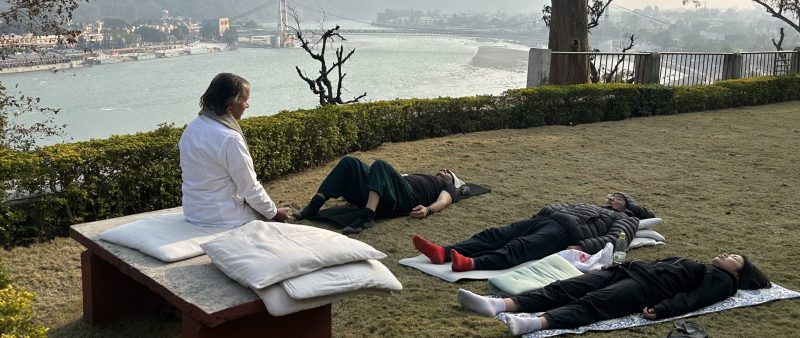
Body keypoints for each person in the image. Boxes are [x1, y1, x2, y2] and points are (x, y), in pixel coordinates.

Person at [457, 252, 771, 335]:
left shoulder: (722, 281)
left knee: (594, 304)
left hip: (646, 288)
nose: (726, 254)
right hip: (627, 272)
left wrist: (662, 309)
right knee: (565, 287)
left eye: (733, 257)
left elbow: (694, 300)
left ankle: (535, 323)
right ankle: (498, 304)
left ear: (737, 272)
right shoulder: (707, 267)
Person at [413, 192, 654, 271]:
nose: (610, 198)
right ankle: (442, 253)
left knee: (519, 248)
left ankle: (471, 264)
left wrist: (582, 247)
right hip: (546, 220)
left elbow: (614, 240)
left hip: (566, 234)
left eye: (616, 197)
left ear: (628, 204)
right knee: (494, 235)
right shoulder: (597, 207)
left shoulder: (625, 218)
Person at [179, 73, 291, 227]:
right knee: (267, 215)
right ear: (230, 104)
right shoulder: (229, 137)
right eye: (245, 100)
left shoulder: (192, 128)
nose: (247, 105)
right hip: (224, 217)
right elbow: (250, 188)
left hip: (193, 212)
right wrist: (274, 213)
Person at [293, 156, 465, 234]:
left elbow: (444, 201)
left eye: (448, 171)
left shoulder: (447, 186)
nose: (443, 170)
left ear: (453, 180)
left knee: (380, 164)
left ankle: (367, 216)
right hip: (388, 192)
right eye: (442, 169)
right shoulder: (422, 175)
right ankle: (314, 205)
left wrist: (428, 210)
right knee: (350, 162)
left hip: (407, 198)